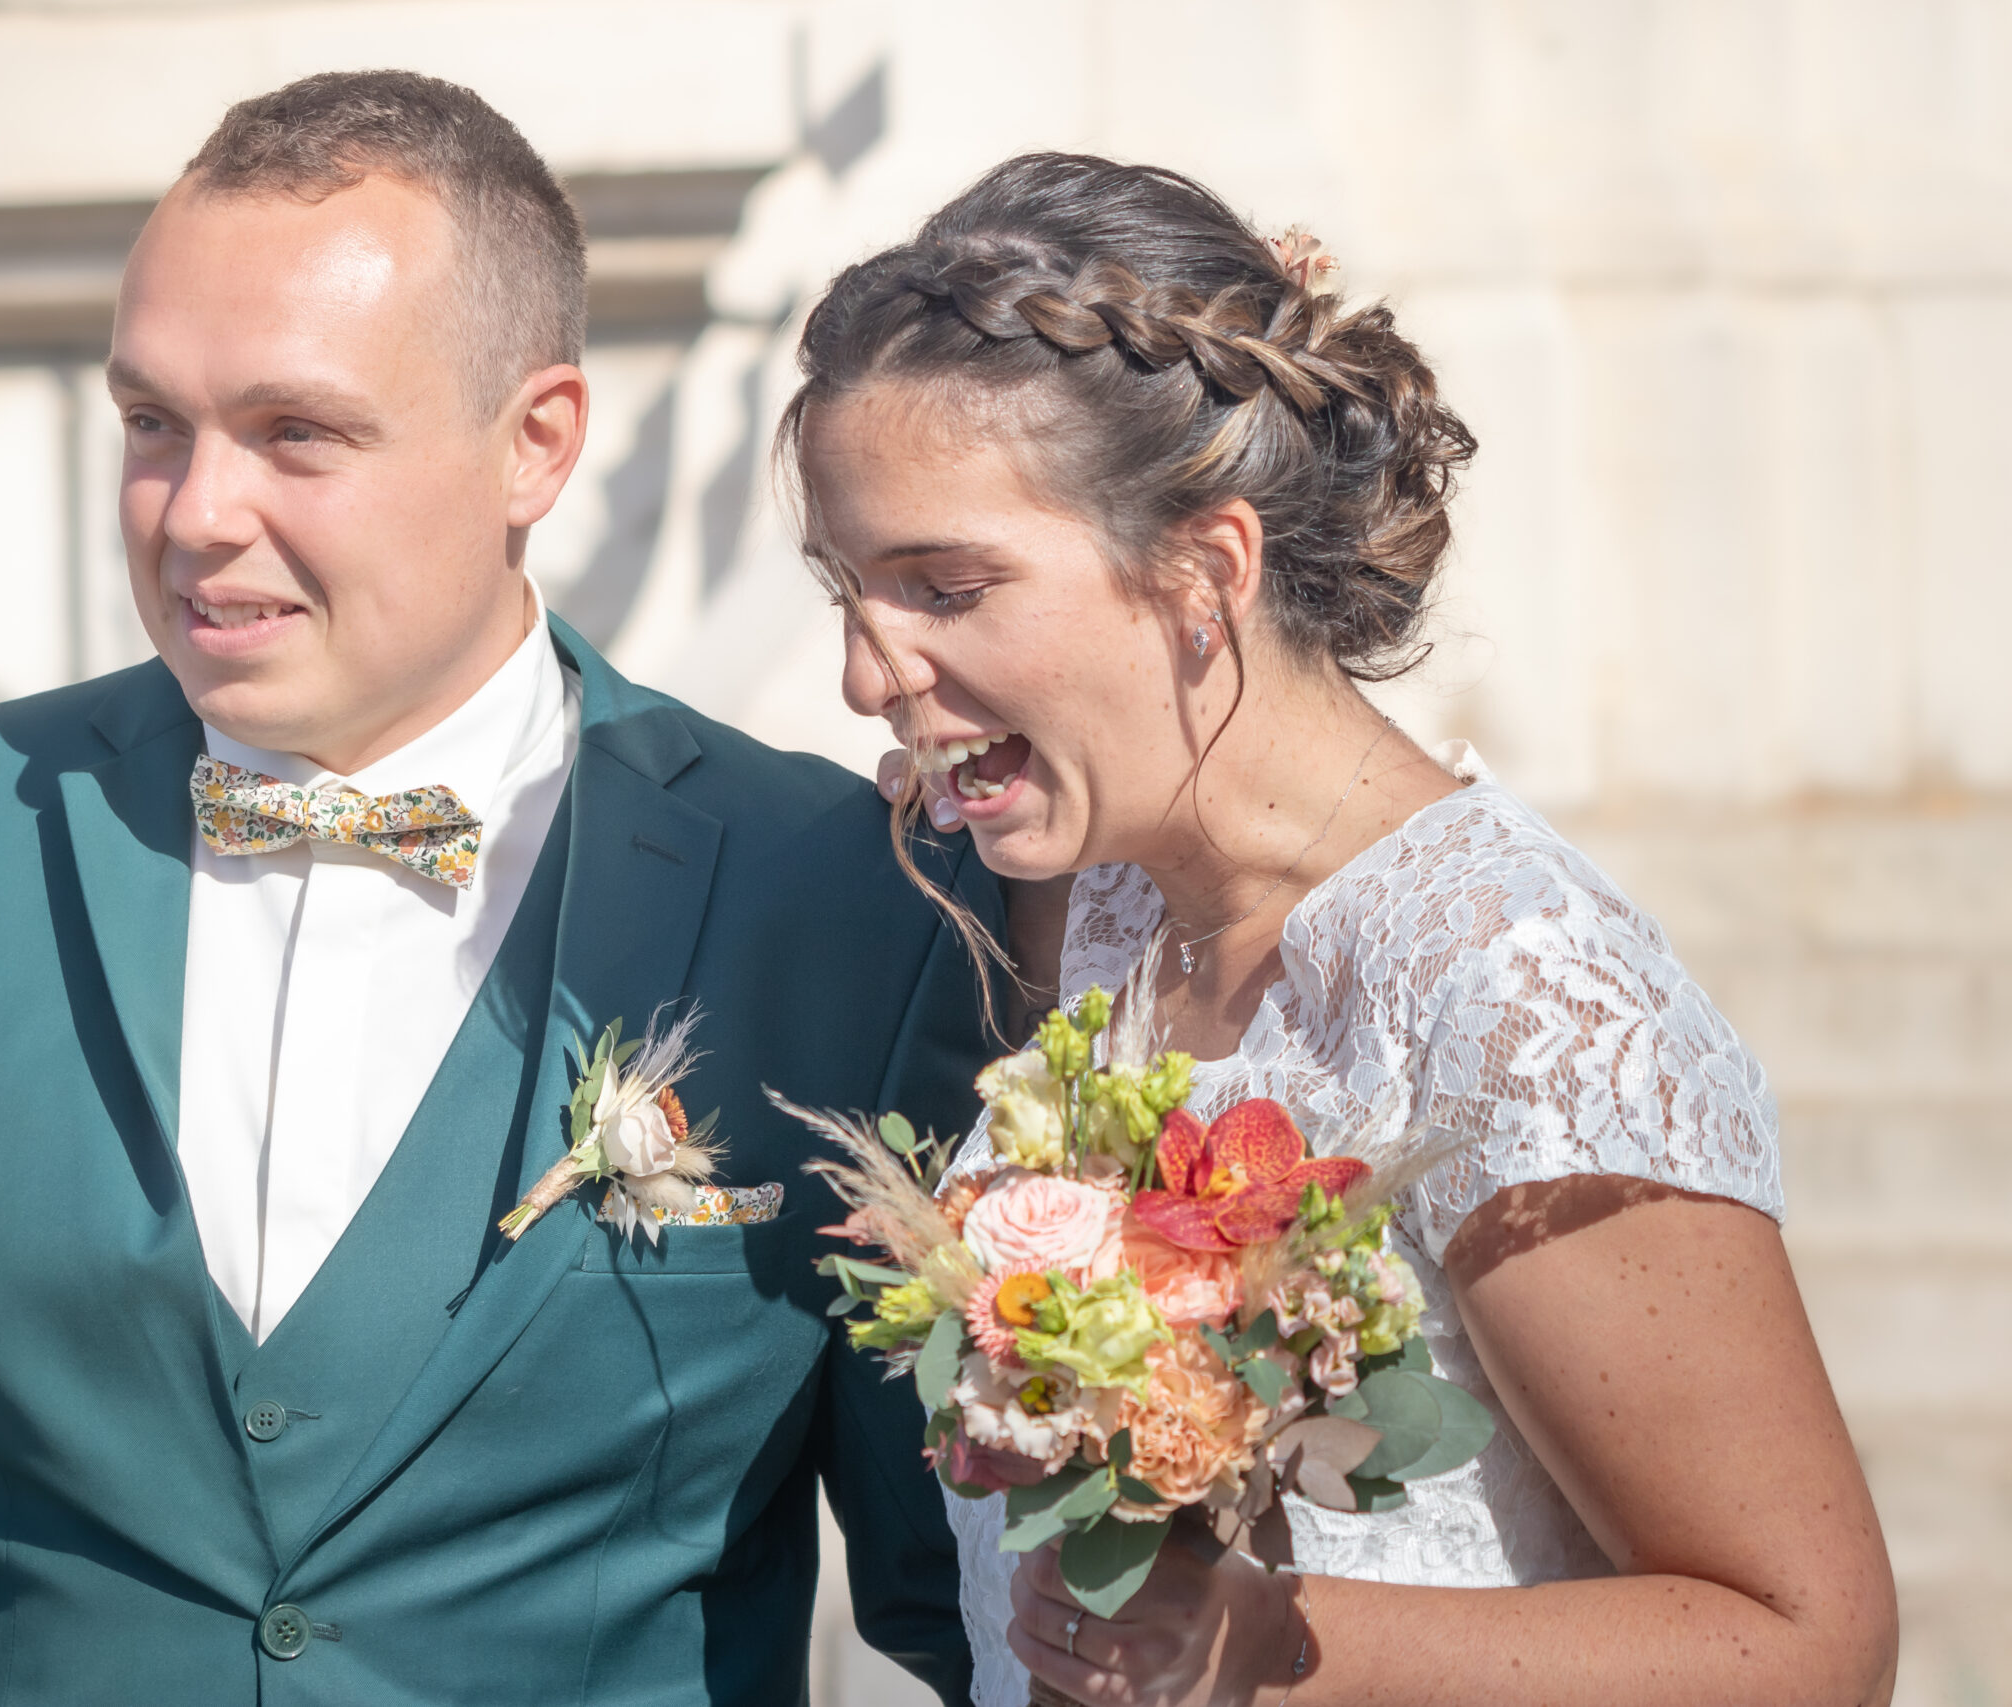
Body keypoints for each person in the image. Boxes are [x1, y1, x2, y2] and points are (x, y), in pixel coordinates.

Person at [0, 71, 998, 1706]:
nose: (196, 515)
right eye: (152, 424)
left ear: (535, 443)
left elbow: (966, 1596)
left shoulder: (847, 899)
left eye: (295, 434)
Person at [781, 152, 1898, 1706]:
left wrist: (1266, 1650)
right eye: (847, 589)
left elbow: (1804, 1646)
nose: (865, 676)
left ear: (1204, 572)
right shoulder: (1094, 902)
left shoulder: (1518, 986)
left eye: (946, 588)